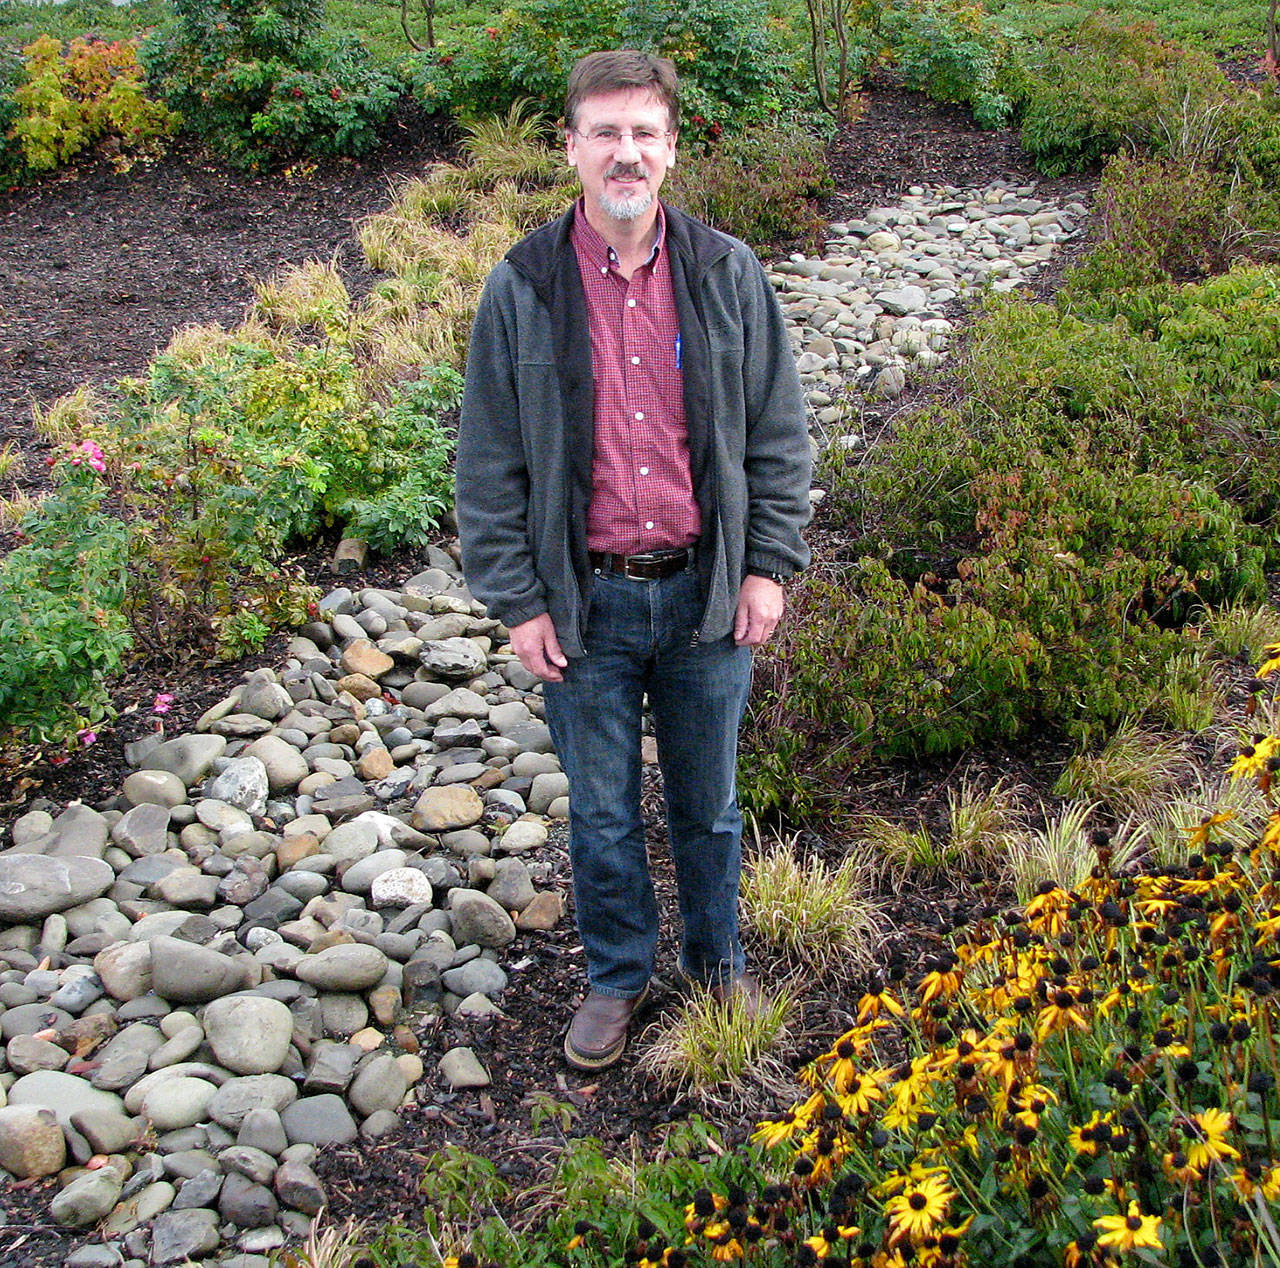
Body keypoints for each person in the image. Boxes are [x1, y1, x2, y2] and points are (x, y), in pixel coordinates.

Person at [455, 49, 811, 1071]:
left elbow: (777, 434)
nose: (624, 153)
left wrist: (766, 566)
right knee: (603, 812)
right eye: (604, 132)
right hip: (586, 608)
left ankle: (715, 959)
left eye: (642, 133)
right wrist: (517, 599)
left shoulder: (725, 271)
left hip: (705, 596)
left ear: (669, 149)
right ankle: (616, 975)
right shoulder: (521, 285)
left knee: (707, 803)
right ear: (569, 147)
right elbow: (486, 461)